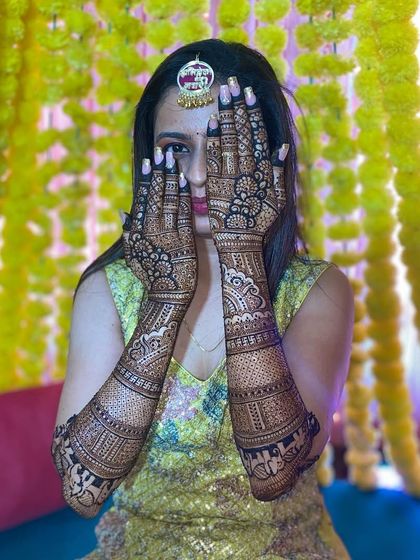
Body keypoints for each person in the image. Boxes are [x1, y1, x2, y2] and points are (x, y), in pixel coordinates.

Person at [51, 39, 354, 559]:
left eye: (223, 148)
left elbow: (274, 471)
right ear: (148, 160)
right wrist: (165, 300)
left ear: (268, 156)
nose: (196, 175)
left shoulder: (318, 289)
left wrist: (239, 253)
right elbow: (84, 488)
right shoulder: (110, 288)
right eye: (175, 150)